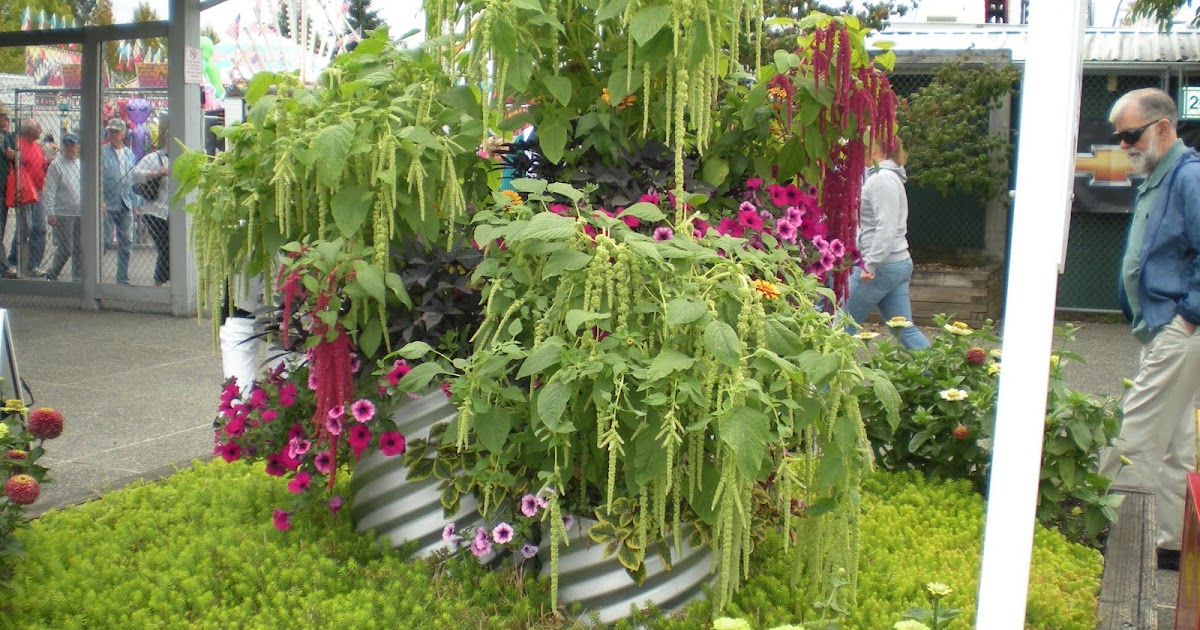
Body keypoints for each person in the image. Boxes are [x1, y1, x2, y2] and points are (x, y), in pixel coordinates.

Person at [1100, 87, 1200, 573]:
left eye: (1130, 135)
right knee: (1177, 443)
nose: (1124, 146)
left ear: (1163, 127)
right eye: (1119, 137)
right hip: (1162, 327)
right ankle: (1176, 547)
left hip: (1180, 329)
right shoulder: (1158, 177)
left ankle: (1076, 519)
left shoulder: (1189, 178)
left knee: (1132, 428)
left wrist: (1189, 316)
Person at [843, 135, 930, 350]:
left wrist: (870, 264)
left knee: (842, 327)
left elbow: (887, 227)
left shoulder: (882, 179)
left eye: (862, 145)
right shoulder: (884, 177)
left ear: (874, 149)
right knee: (902, 329)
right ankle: (937, 376)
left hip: (879, 267)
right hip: (893, 264)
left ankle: (822, 384)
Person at [6, 119, 49, 277]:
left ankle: (34, 264)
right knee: (25, 227)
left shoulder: (37, 146)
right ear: (30, 130)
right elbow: (12, 163)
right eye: (38, 127)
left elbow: (41, 164)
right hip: (24, 191)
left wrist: (47, 163)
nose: (41, 129)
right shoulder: (18, 144)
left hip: (39, 191)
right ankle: (13, 260)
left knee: (40, 228)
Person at [132, 119, 170, 286]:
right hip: (155, 210)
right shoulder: (154, 158)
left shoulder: (184, 159)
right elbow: (135, 174)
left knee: (170, 247)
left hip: (173, 211)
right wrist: (154, 173)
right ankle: (159, 281)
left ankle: (165, 280)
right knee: (166, 246)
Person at [100, 117, 136, 285]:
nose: (112, 134)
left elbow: (133, 179)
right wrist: (100, 201)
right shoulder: (102, 152)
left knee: (126, 241)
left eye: (116, 131)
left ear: (123, 133)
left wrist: (136, 203)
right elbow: (97, 179)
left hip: (126, 201)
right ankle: (96, 274)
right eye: (110, 131)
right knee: (105, 239)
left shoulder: (130, 154)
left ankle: (122, 277)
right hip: (108, 202)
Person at [42, 134, 82, 282]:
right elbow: (50, 189)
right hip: (62, 212)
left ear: (78, 146)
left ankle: (77, 278)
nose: (69, 148)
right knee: (66, 249)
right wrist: (50, 211)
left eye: (72, 144)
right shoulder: (56, 165)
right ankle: (53, 272)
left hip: (80, 212)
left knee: (79, 248)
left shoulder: (81, 165)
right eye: (66, 145)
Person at [0, 105, 17, 278]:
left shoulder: (9, 137)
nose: (6, 120)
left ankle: (3, 266)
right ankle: (3, 267)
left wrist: (15, 156)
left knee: (2, 226)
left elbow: (19, 159)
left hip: (4, 188)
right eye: (4, 116)